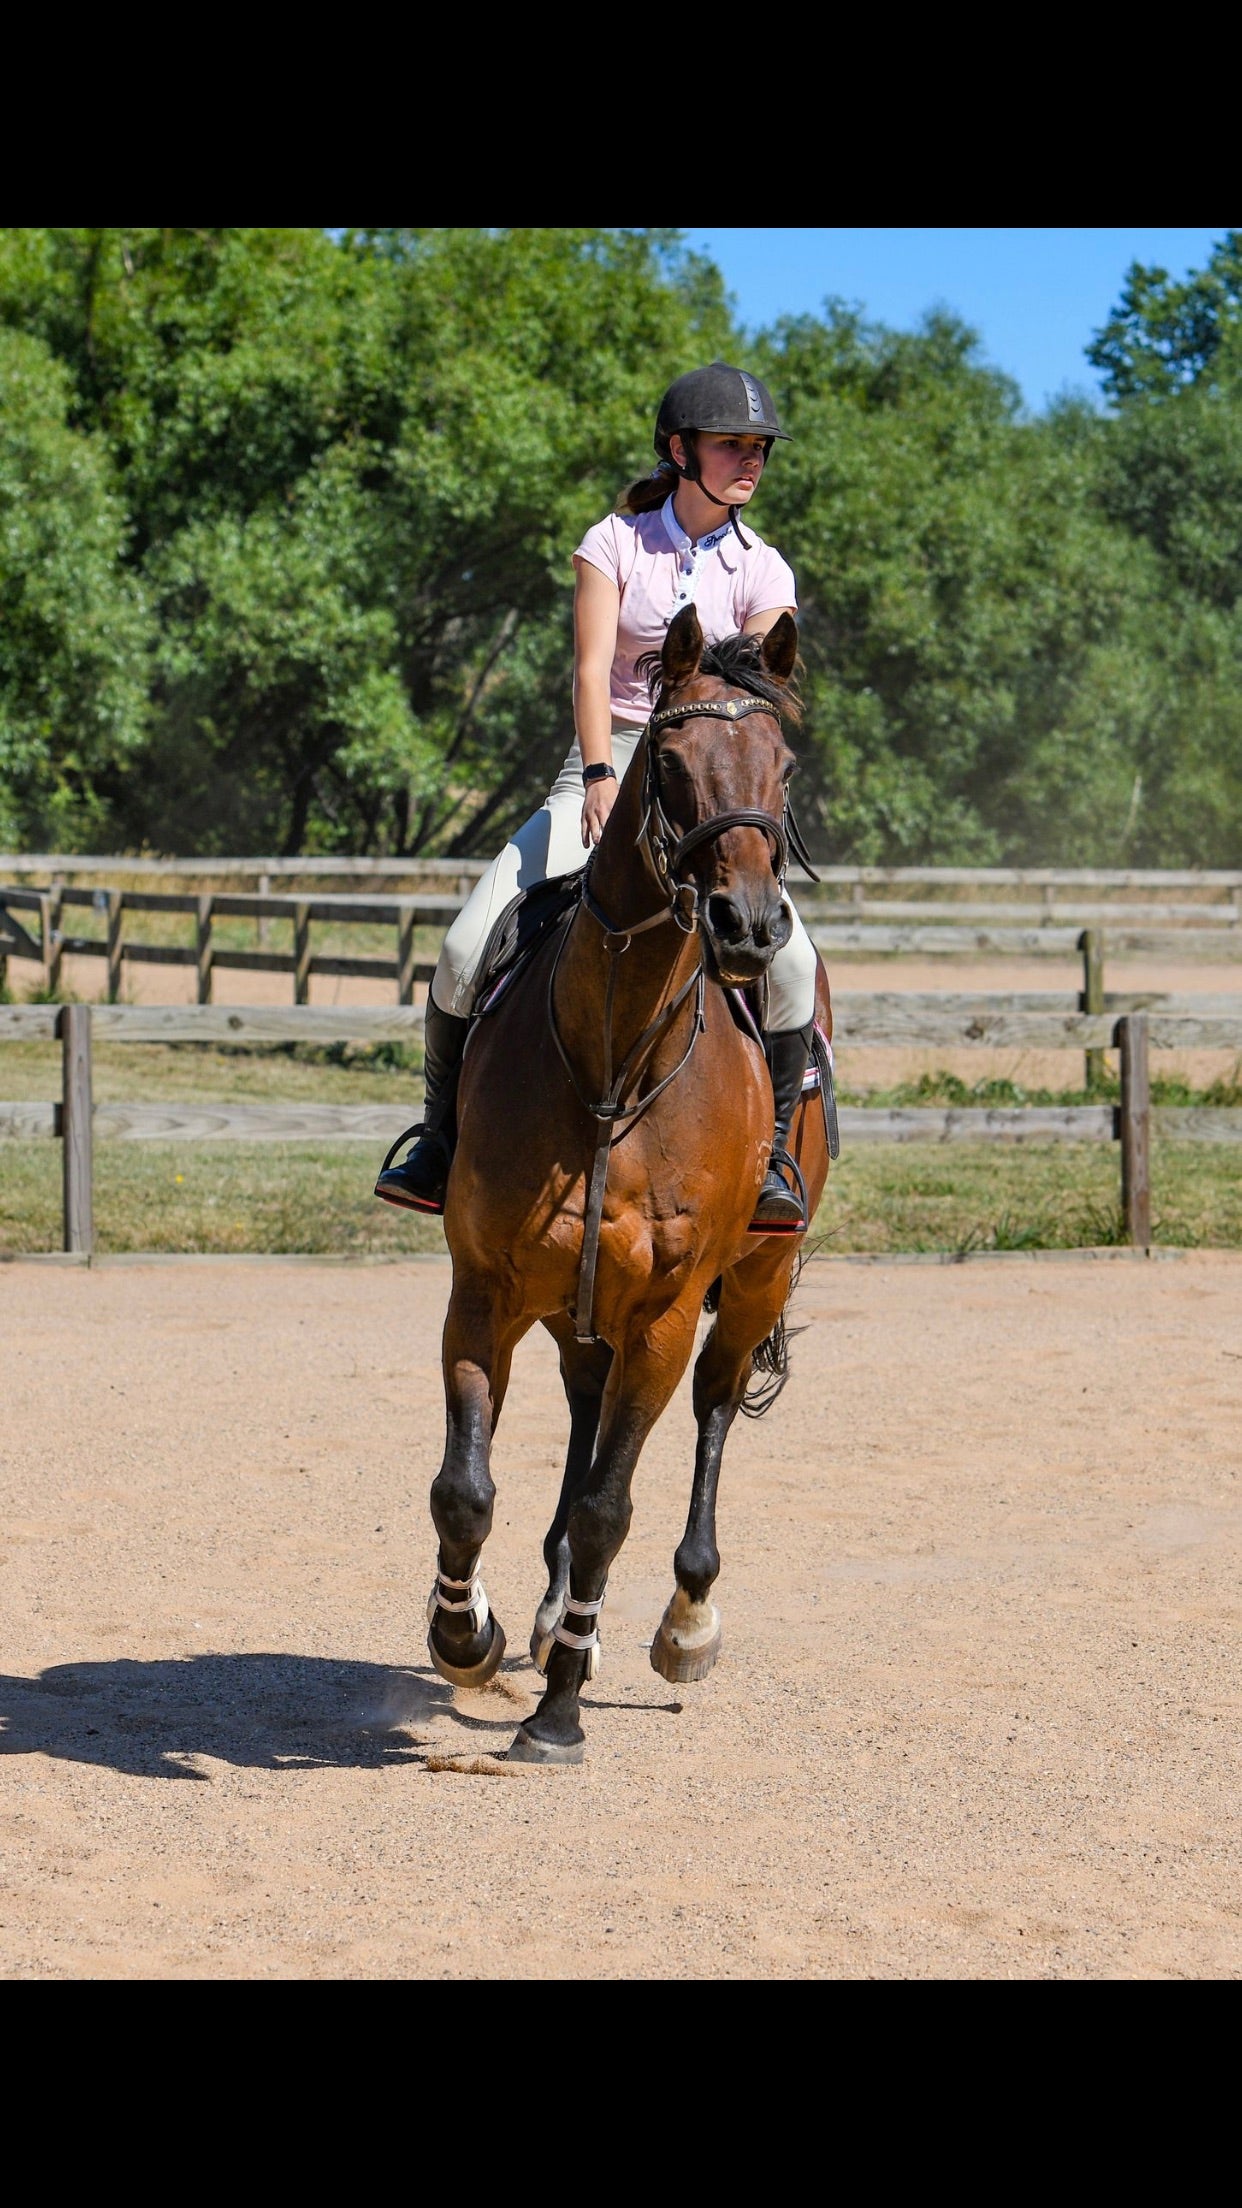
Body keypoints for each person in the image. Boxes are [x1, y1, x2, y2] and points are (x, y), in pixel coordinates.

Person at [374, 361, 820, 1233]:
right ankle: (439, 1145)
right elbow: (588, 671)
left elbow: (755, 695)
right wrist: (600, 776)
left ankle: (768, 1159)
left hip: (711, 774)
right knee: (467, 945)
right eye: (733, 443)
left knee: (794, 965)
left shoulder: (766, 570)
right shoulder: (613, 542)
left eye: (759, 447)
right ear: (680, 450)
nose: (751, 459)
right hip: (611, 753)